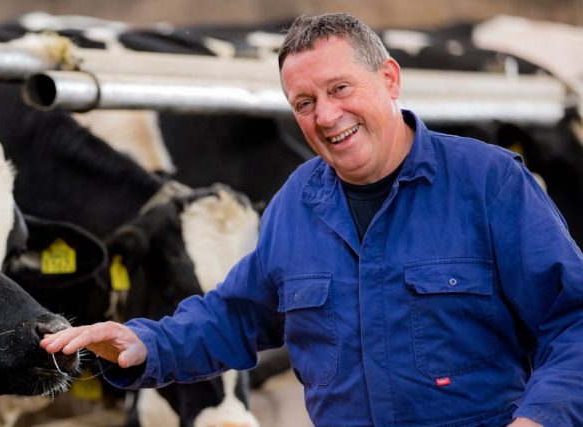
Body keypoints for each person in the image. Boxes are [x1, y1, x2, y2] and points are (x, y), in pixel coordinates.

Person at [41, 12, 583, 427]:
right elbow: (235, 315)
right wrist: (143, 344)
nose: (326, 116)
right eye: (304, 102)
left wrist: (541, 419)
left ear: (389, 79)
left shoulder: (487, 183)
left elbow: (573, 319)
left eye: (340, 89)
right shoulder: (297, 203)